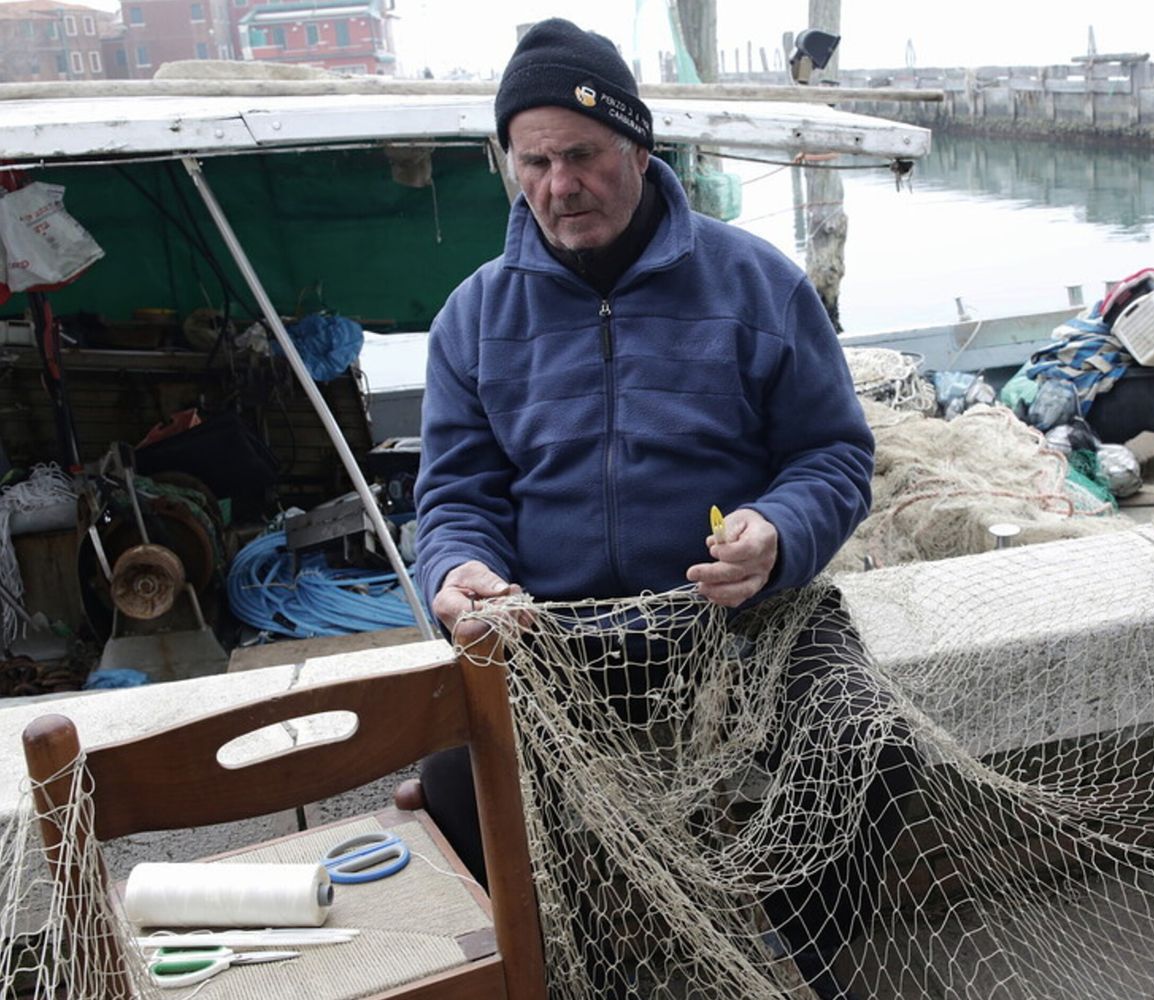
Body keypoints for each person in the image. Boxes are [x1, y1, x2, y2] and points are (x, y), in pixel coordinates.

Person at [414, 18, 912, 999]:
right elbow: (455, 496)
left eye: (587, 156)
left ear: (640, 149)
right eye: (537, 162)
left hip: (743, 623)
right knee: (448, 788)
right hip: (552, 635)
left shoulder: (757, 282)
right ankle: (573, 967)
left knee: (869, 751)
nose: (561, 185)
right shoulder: (472, 317)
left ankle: (813, 963)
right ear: (511, 166)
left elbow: (834, 454)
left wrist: (777, 533)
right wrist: (457, 570)